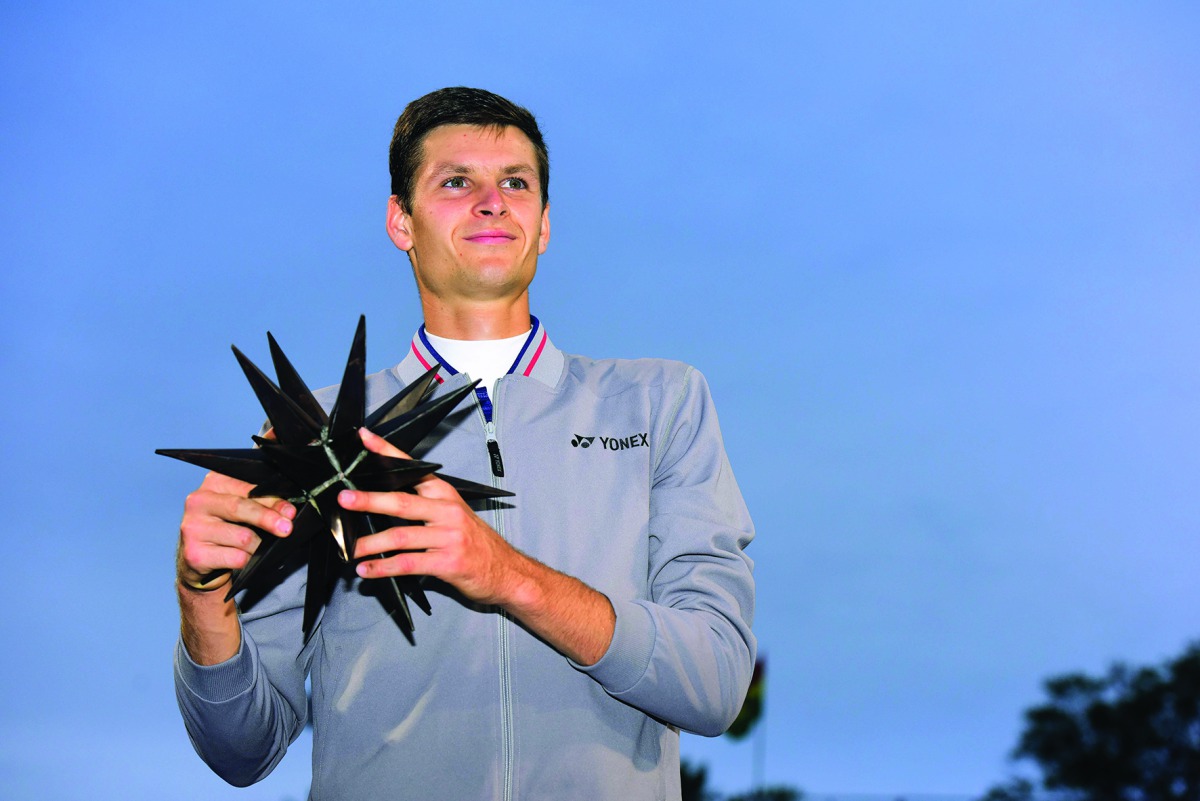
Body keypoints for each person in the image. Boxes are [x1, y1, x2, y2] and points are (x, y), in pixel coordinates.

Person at [173, 86, 755, 800]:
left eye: (516, 182)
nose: (492, 201)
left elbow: (717, 680)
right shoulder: (312, 436)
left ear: (543, 224)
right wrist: (201, 598)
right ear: (400, 220)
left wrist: (507, 574)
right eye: (456, 182)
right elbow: (242, 748)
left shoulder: (661, 401)